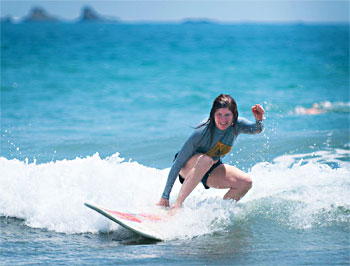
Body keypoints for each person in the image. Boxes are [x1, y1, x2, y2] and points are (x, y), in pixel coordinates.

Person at [157, 94, 265, 210]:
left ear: (234, 115)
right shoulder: (202, 131)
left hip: (210, 168)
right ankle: (176, 207)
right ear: (213, 114)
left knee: (245, 182)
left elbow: (257, 130)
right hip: (188, 167)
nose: (223, 120)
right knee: (206, 160)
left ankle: (217, 214)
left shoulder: (237, 125)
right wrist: (165, 197)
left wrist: (259, 119)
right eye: (219, 114)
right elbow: (178, 162)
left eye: (227, 115)